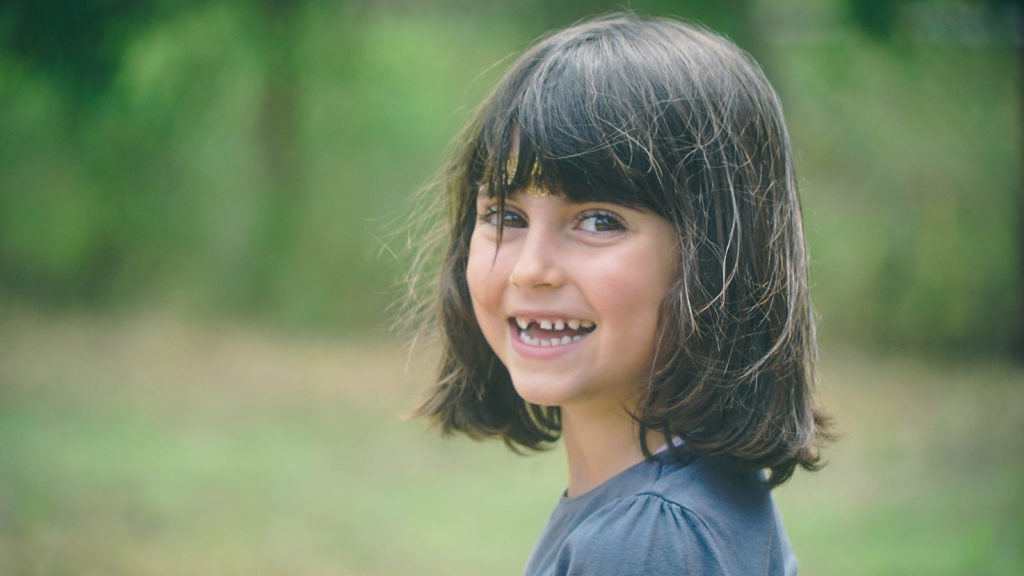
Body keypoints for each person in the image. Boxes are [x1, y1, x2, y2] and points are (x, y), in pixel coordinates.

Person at [403, 12, 832, 576]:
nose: (531, 270)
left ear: (715, 256)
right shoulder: (686, 497)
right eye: (504, 215)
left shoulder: (648, 540)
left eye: (599, 221)